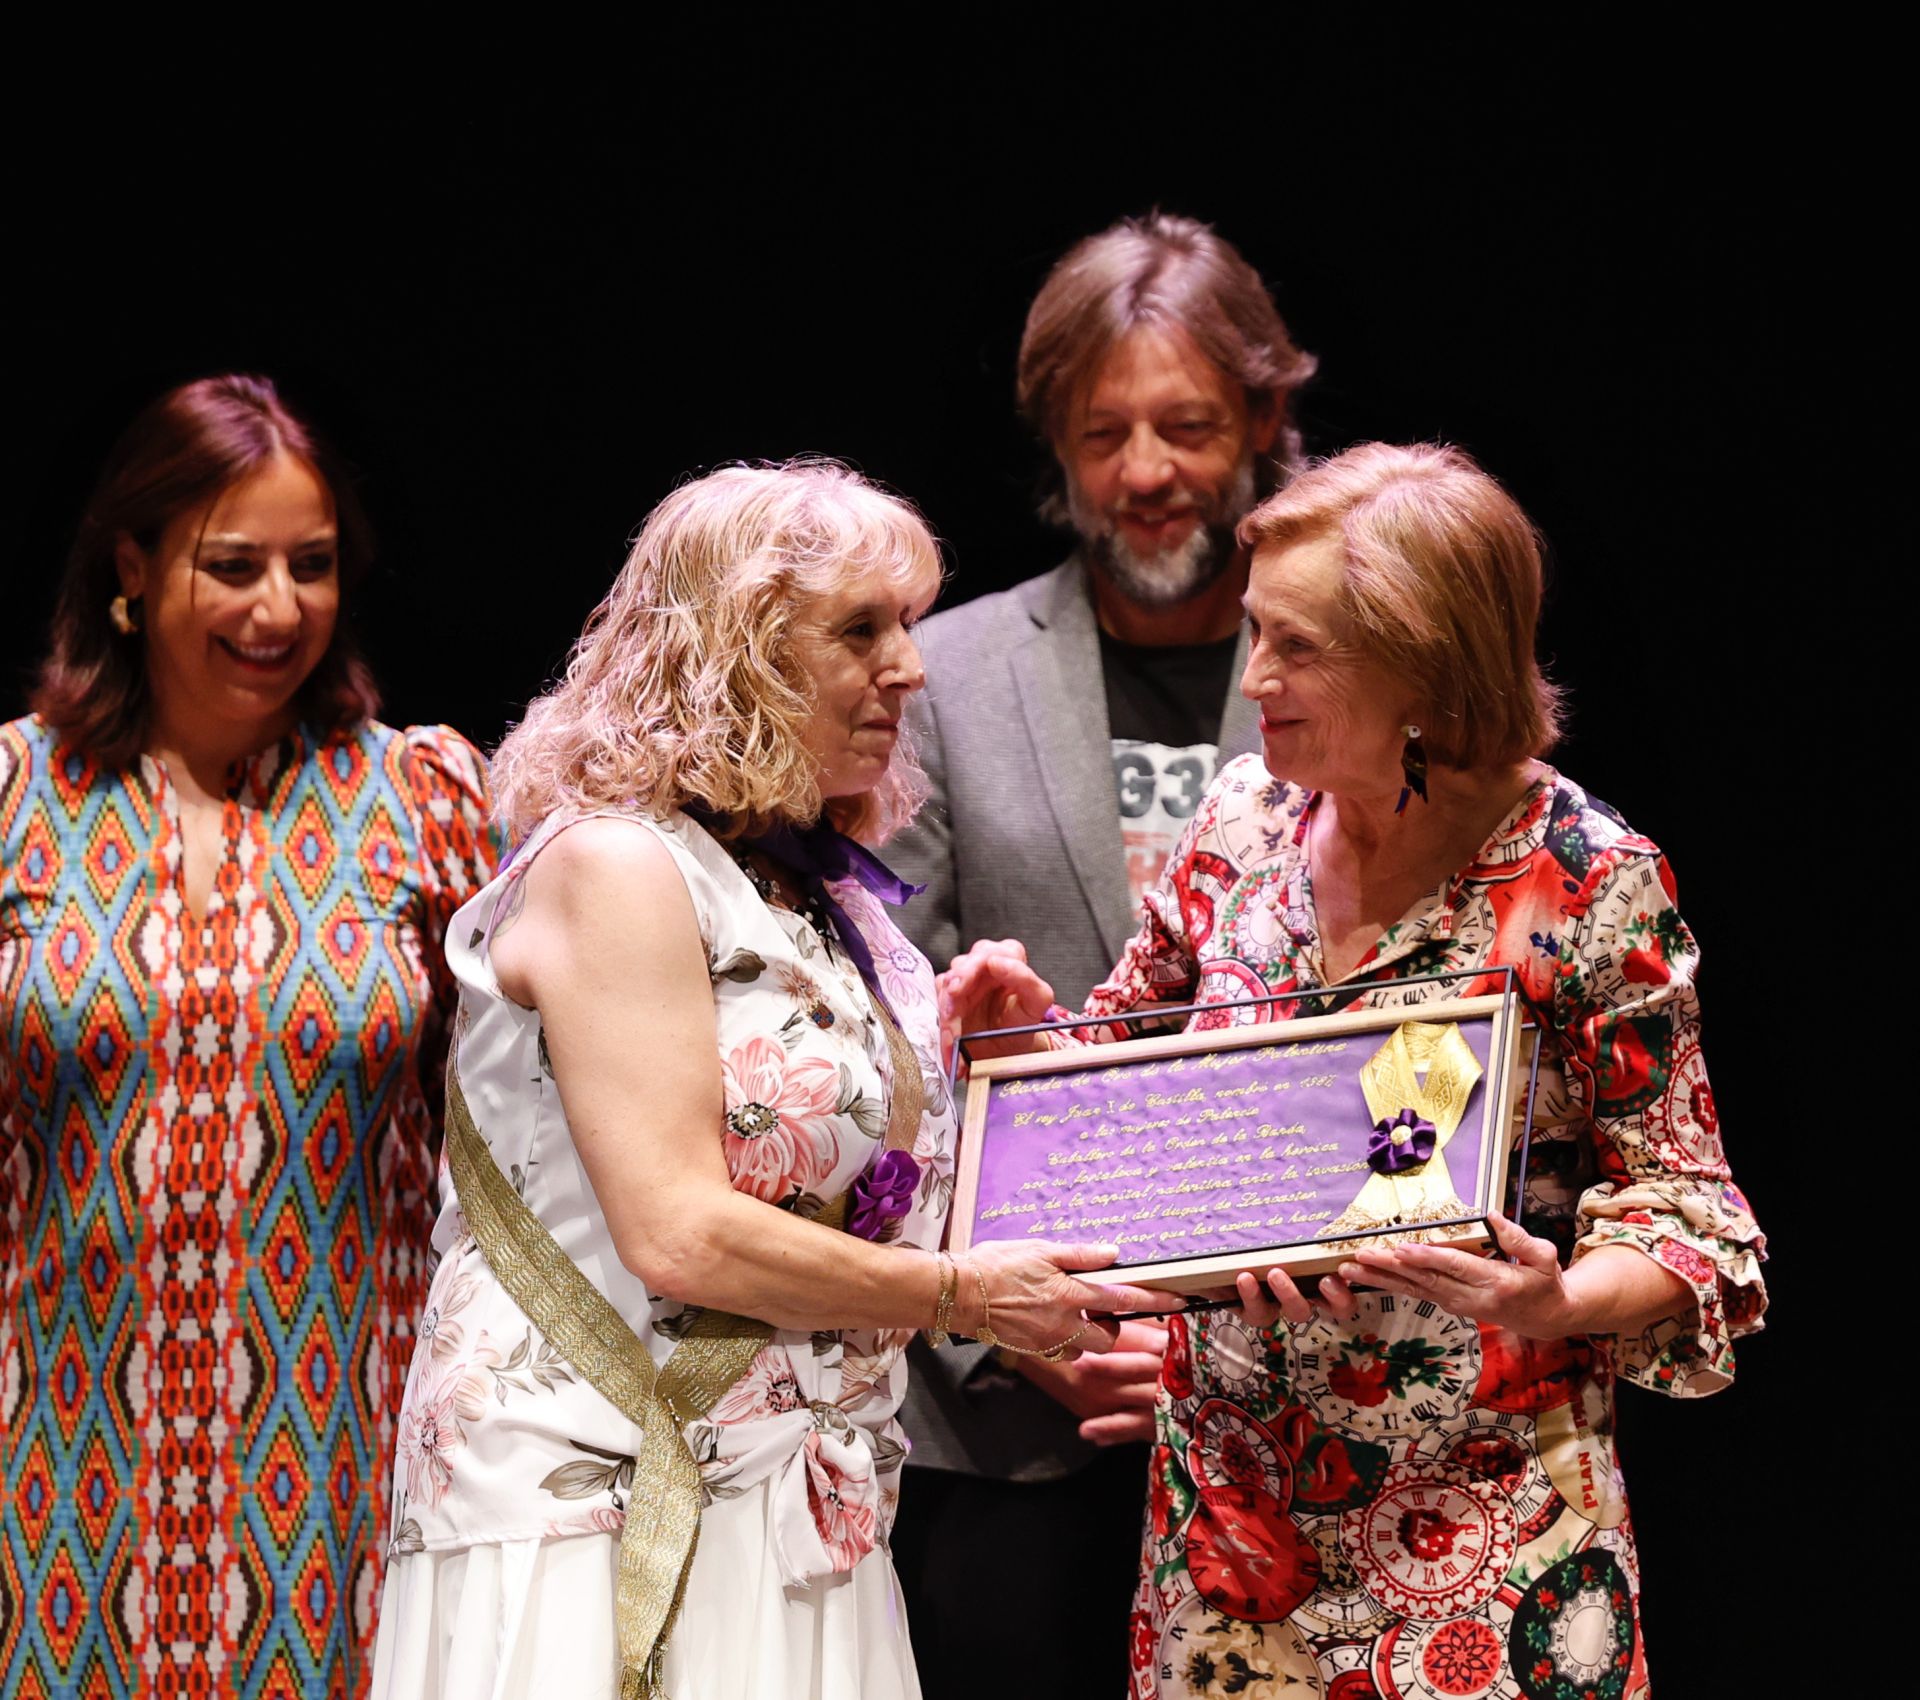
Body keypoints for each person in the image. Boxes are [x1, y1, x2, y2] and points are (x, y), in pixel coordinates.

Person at [941, 443, 1768, 1699]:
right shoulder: (1240, 822)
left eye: (1300, 647)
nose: (1253, 676)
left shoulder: (1590, 882)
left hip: (1482, 1550)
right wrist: (1027, 1038)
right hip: (1228, 1545)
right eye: (1254, 630)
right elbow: (1119, 1080)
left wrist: (1556, 1299)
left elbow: (1695, 1217)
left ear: (1428, 665)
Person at [368, 461, 1176, 1700]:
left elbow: (810, 1151)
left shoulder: (822, 891)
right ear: (730, 650)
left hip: (792, 1502)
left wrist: (942, 1060)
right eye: (861, 629)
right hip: (605, 1503)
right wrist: (961, 1293)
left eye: (906, 626)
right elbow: (679, 1230)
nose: (909, 667)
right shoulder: (617, 864)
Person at [0, 375, 498, 1697]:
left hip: (346, 1465)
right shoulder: (16, 798)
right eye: (232, 566)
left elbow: (521, 1126)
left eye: (313, 566)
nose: (279, 609)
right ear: (132, 565)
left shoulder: (424, 796)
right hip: (52, 1464)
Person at [884, 211, 1317, 1695]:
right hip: (1021, 1446)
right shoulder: (940, 677)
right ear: (1055, 445)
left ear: (1265, 419)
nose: (1143, 473)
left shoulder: (1367, 669)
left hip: (1313, 1429)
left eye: (1188, 425)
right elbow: (885, 1046)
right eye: (1102, 433)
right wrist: (1007, 1331)